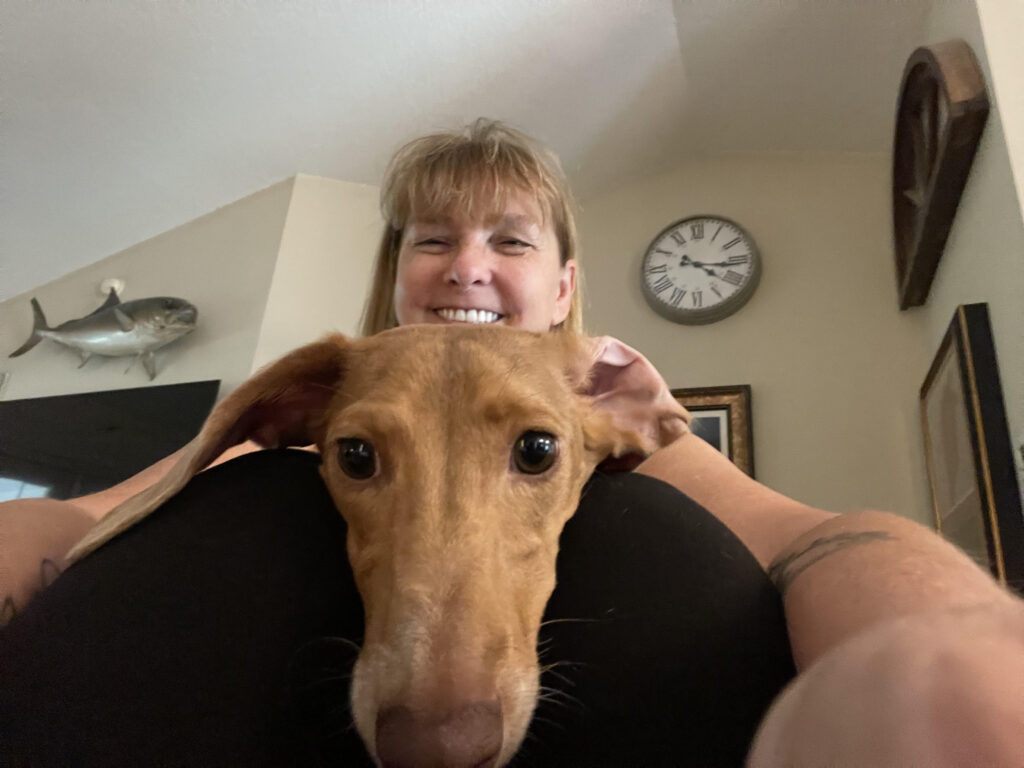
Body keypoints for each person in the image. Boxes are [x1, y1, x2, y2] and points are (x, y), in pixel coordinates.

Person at [1, 119, 1022, 767]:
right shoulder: (323, 392)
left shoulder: (611, 401)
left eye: (511, 239)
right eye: (433, 238)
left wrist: (947, 655)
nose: (467, 268)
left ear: (568, 290)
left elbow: (810, 539)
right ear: (397, 271)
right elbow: (77, 519)